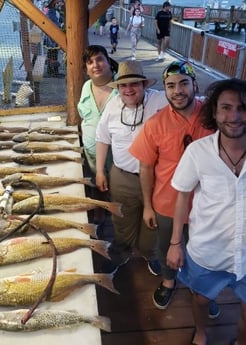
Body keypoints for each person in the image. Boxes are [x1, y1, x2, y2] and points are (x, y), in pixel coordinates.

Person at [129, 60, 219, 317]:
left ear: (195, 84)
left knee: (206, 250)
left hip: (207, 204)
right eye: (170, 86)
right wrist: (147, 205)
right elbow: (145, 168)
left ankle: (203, 290)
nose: (177, 90)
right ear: (165, 90)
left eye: (183, 83)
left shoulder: (214, 118)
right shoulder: (155, 124)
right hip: (166, 203)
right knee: (166, 246)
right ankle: (169, 281)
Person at [167, 78, 246, 345]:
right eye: (225, 107)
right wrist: (176, 243)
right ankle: (201, 332)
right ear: (214, 112)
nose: (234, 116)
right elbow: (182, 196)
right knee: (200, 299)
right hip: (207, 250)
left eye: (242, 108)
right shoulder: (198, 152)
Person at [95, 60, 168, 274]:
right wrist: (100, 170)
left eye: (134, 84)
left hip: (156, 179)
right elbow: (102, 137)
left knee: (152, 226)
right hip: (122, 176)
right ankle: (120, 255)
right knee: (122, 222)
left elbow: (192, 100)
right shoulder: (113, 104)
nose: (128, 90)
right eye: (123, 85)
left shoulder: (160, 100)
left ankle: (150, 254)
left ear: (145, 85)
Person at [77, 45, 118, 236]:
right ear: (86, 69)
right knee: (96, 185)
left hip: (116, 157)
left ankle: (120, 224)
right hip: (91, 154)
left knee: (119, 190)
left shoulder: (122, 88)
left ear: (109, 62)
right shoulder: (86, 87)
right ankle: (100, 213)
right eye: (90, 62)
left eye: (100, 59)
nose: (96, 65)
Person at [44, 0, 64, 77]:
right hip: (52, 37)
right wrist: (61, 25)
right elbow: (55, 23)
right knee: (53, 54)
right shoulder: (51, 12)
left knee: (50, 53)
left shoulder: (53, 11)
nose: (60, 4)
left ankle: (50, 71)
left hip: (51, 36)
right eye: (58, 3)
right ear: (53, 4)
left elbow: (59, 19)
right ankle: (54, 72)